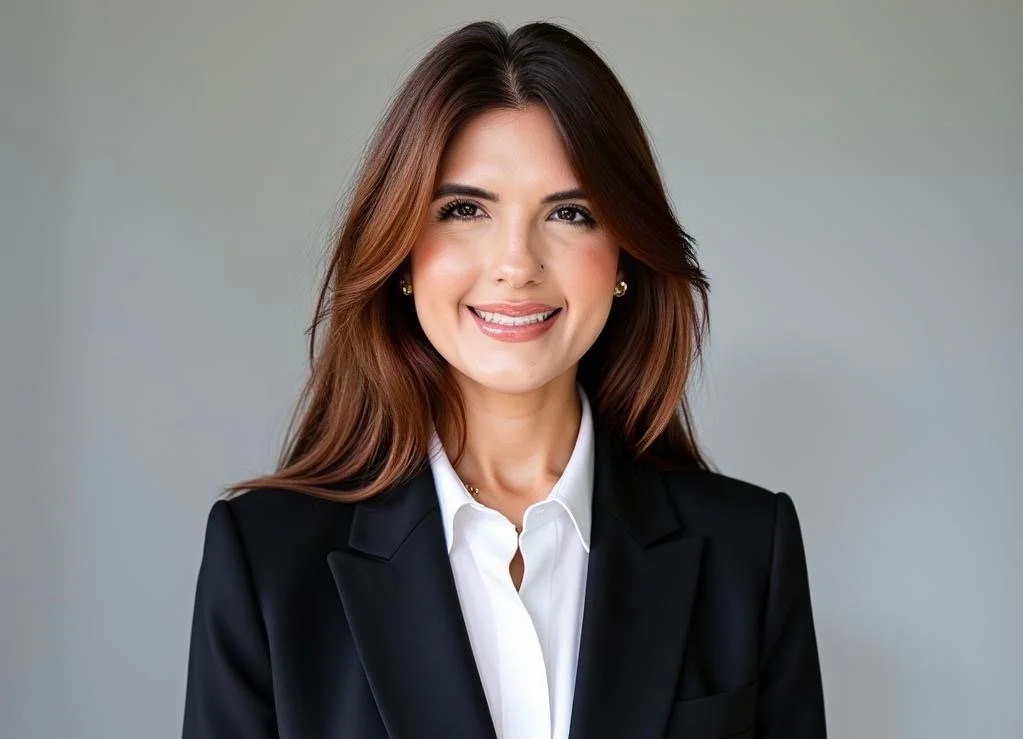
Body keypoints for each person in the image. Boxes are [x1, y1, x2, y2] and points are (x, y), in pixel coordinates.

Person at [181, 19, 827, 739]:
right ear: (399, 252)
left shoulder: (746, 552)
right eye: (465, 210)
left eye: (570, 213)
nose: (515, 263)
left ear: (622, 260)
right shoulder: (266, 561)